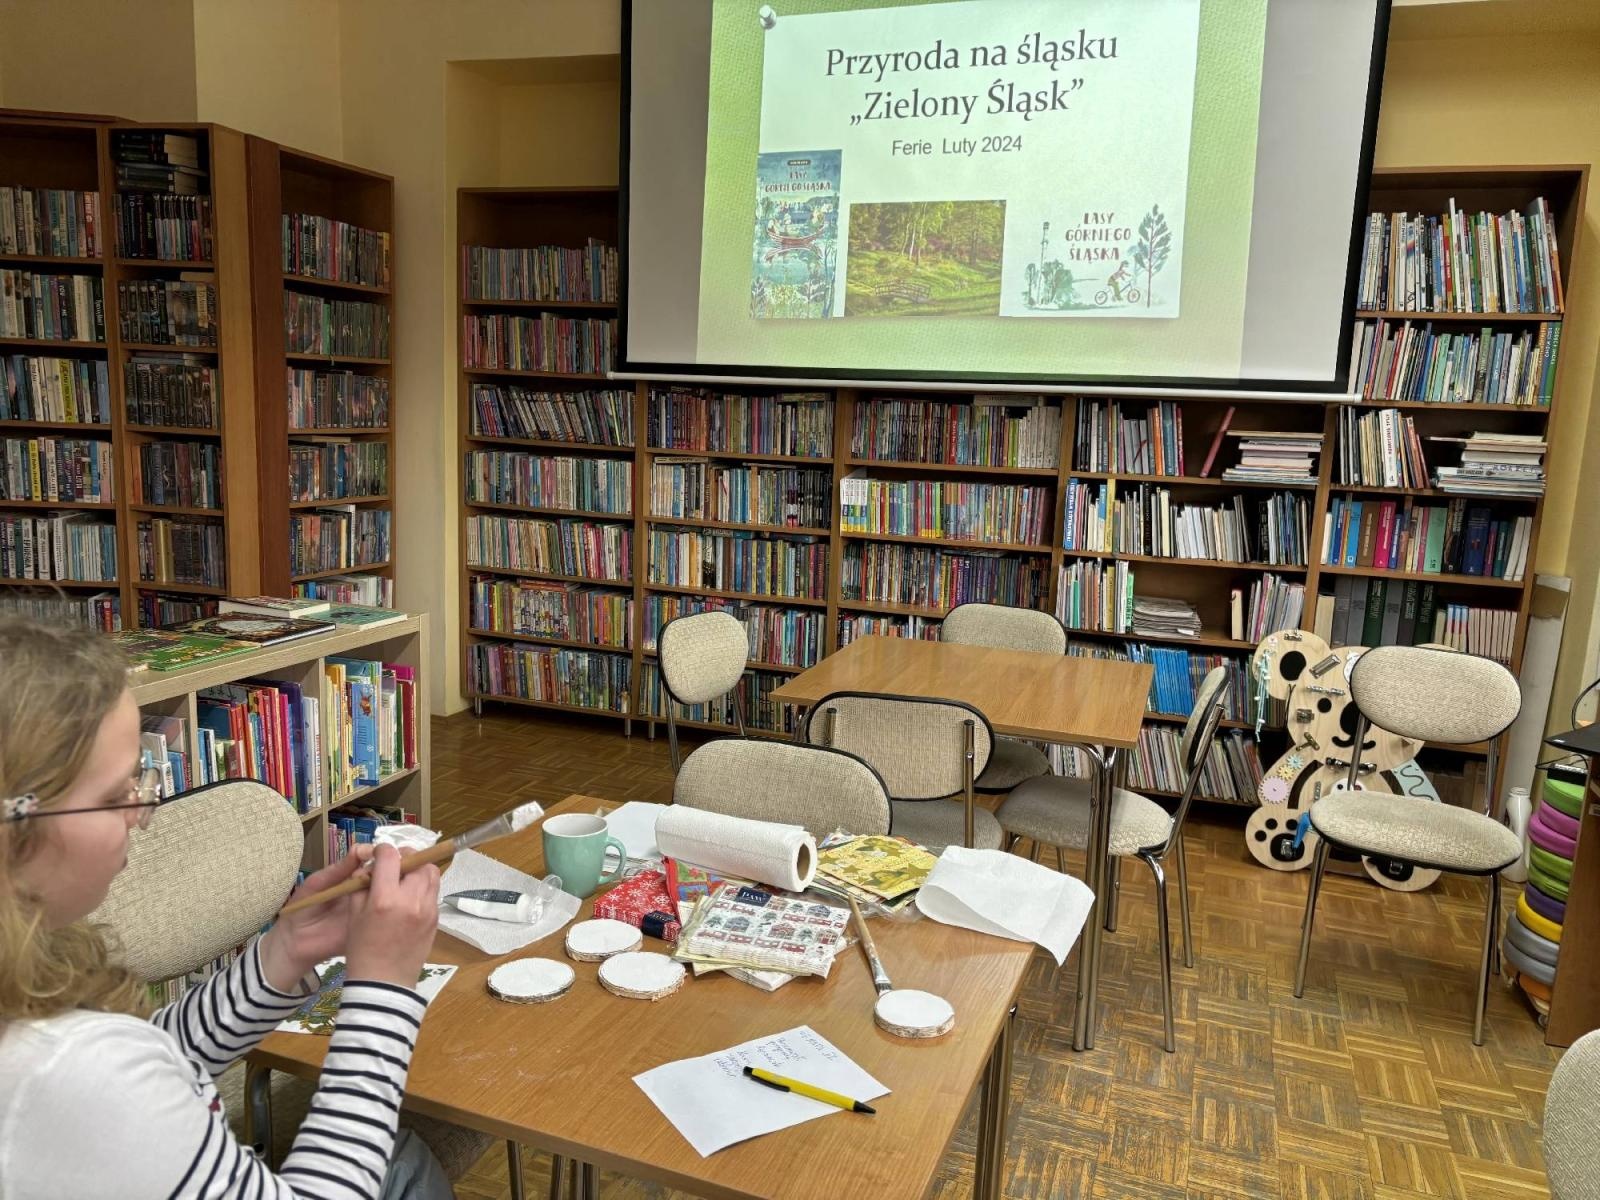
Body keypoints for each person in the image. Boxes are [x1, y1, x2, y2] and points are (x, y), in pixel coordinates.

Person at [0, 615, 448, 1199]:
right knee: (406, 1170)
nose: (143, 813)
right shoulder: (65, 1074)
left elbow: (155, 1064)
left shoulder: (62, 1033)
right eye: (115, 797)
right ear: (16, 829)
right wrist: (383, 991)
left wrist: (284, 952)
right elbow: (105, 1083)